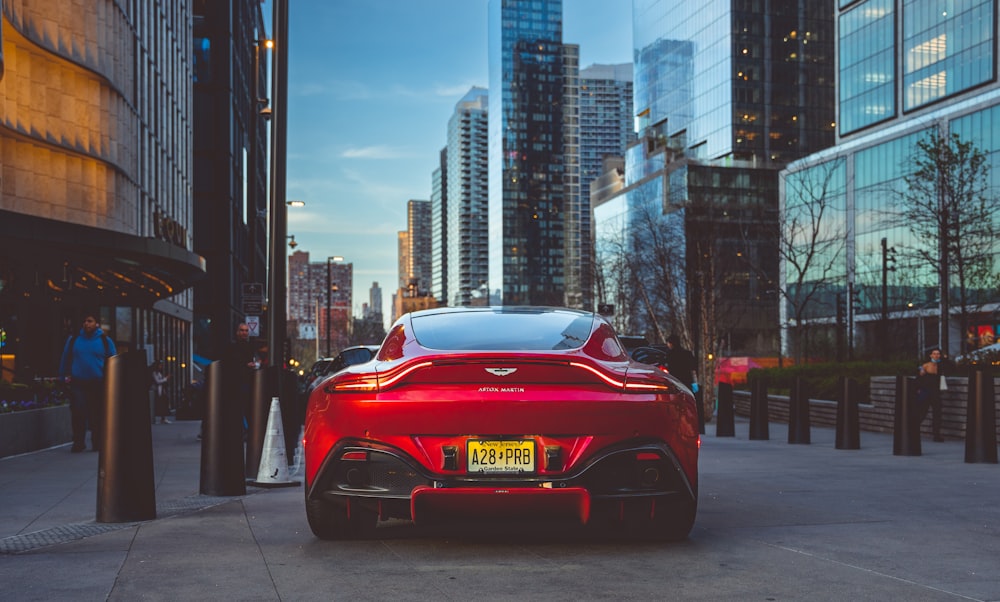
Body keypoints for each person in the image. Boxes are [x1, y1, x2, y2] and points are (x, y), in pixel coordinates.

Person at [59, 311, 117, 452]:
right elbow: (65, 359)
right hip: (78, 383)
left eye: (90, 321)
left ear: (97, 323)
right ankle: (78, 442)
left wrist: (114, 382)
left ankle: (97, 442)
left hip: (98, 383)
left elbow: (114, 362)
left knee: (96, 413)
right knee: (78, 413)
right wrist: (62, 379)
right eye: (85, 321)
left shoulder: (105, 341)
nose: (87, 324)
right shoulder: (74, 340)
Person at [662, 334, 704, 432]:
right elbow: (693, 369)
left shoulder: (669, 354)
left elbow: (667, 369)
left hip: (674, 382)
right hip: (686, 382)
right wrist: (695, 383)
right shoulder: (687, 354)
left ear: (671, 343)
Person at [915, 347, 951, 442]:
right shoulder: (926, 365)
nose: (936, 355)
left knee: (937, 413)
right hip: (926, 391)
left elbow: (949, 367)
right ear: (931, 355)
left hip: (936, 392)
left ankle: (936, 434)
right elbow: (918, 379)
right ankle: (913, 430)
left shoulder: (941, 365)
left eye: (938, 354)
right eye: (934, 354)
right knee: (922, 412)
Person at [151, 360, 171, 424]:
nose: (161, 366)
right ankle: (162, 418)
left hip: (162, 390)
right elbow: (158, 381)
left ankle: (163, 418)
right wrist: (166, 378)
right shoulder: (154, 373)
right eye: (160, 365)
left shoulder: (159, 373)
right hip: (157, 391)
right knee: (160, 404)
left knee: (164, 404)